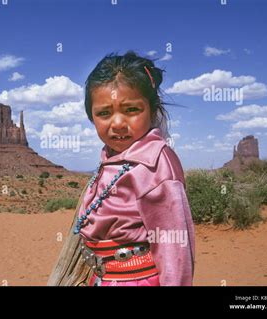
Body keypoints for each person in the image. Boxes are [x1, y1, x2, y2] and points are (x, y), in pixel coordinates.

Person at [75, 51, 195, 286]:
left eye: (131, 110)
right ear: (91, 116)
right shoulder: (113, 158)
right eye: (104, 113)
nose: (118, 123)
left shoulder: (156, 163)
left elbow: (174, 251)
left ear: (152, 109)